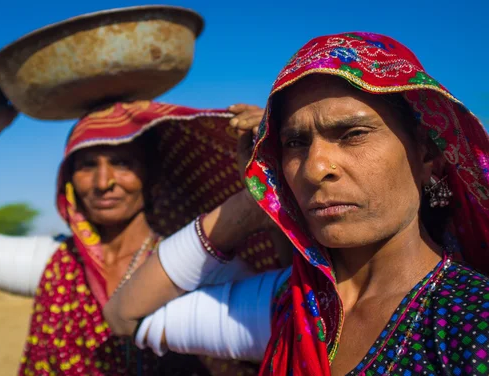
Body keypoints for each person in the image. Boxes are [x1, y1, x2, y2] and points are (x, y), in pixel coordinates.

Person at [103, 32, 489, 375]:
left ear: (426, 155)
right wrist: (257, 200)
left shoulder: (472, 321)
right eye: (295, 143)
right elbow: (125, 315)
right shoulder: (292, 306)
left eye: (353, 133)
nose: (314, 168)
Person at [0, 83, 286, 375]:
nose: (104, 182)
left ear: (151, 177)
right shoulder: (54, 264)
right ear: (68, 180)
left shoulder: (199, 264)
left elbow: (294, 315)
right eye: (86, 165)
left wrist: (268, 169)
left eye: (122, 162)